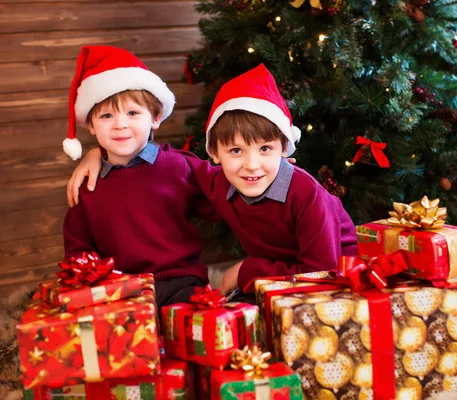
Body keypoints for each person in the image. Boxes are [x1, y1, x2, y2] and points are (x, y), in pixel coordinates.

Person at [67, 64, 358, 298]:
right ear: (215, 154)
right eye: (235, 151)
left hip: (333, 286)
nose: (251, 164)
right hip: (273, 279)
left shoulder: (306, 195)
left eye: (265, 149)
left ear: (284, 149)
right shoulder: (221, 183)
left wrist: (244, 271)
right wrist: (97, 153)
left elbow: (322, 274)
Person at [62, 45, 216, 308]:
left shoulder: (178, 167)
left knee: (194, 331)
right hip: (122, 291)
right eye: (107, 115)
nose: (120, 124)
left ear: (155, 118)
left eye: (133, 113)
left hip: (181, 281)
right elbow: (79, 250)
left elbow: (225, 196)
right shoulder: (88, 185)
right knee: (120, 342)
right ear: (91, 124)